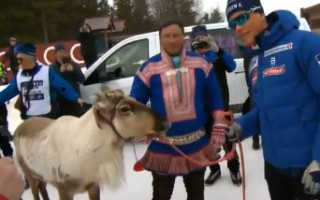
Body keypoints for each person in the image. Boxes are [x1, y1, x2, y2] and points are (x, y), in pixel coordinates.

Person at [226, 0, 320, 199]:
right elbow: (266, 110)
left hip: (309, 169)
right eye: (233, 24)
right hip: (275, 168)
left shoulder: (306, 43)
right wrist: (241, 127)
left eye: (241, 18)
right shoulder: (256, 58)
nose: (238, 28)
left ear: (259, 13)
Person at [130, 20, 233, 200]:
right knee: (161, 195)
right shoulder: (148, 68)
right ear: (161, 39)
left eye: (176, 35)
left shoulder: (201, 63)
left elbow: (214, 95)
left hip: (197, 144)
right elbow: (135, 102)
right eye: (167, 36)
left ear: (182, 37)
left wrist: (219, 119)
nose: (172, 40)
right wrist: (140, 125)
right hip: (163, 146)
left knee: (196, 194)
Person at [190, 25, 242, 186]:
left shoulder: (216, 53)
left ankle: (234, 169)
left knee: (228, 140)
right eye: (196, 39)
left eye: (203, 38)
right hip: (202, 109)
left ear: (208, 38)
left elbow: (232, 66)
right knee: (207, 143)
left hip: (222, 106)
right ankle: (214, 170)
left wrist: (218, 50)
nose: (200, 42)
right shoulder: (190, 59)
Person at [0, 43, 83, 120]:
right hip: (30, 119)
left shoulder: (46, 72)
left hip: (48, 116)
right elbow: (8, 92)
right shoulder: (19, 77)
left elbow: (62, 86)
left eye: (20, 59)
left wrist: (75, 98)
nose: (18, 62)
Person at [50, 44, 85, 117]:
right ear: (56, 54)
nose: (62, 54)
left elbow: (82, 79)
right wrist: (60, 73)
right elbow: (52, 83)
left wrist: (73, 70)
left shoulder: (73, 64)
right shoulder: (52, 68)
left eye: (63, 52)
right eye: (60, 52)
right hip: (62, 101)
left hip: (75, 99)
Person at [242, 53, 260, 150]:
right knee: (254, 109)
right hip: (253, 83)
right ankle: (255, 139)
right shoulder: (247, 51)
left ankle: (257, 139)